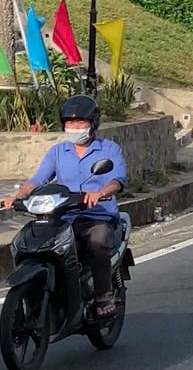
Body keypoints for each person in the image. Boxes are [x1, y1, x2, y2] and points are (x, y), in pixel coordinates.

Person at [2, 95, 128, 317]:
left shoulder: (109, 149)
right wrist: (16, 196)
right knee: (28, 240)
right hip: (63, 217)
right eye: (69, 123)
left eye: (80, 123)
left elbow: (117, 179)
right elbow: (37, 180)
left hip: (97, 216)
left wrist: (100, 192)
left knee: (98, 241)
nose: (74, 127)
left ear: (93, 123)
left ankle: (102, 296)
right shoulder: (58, 152)